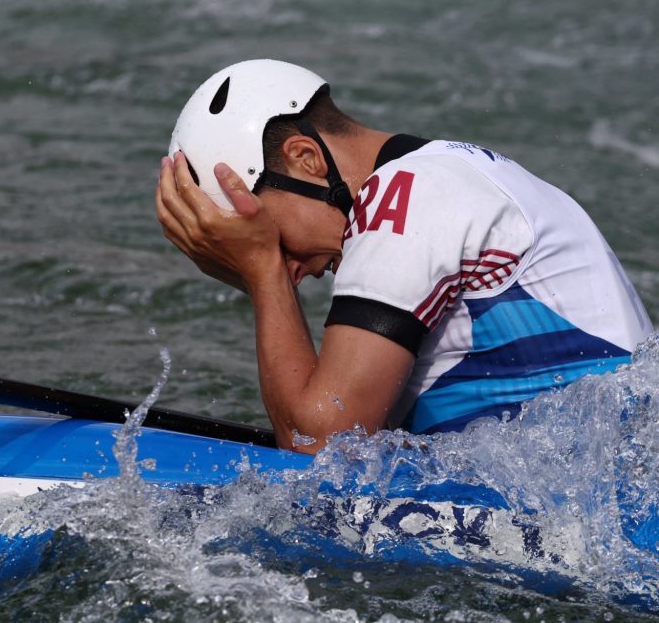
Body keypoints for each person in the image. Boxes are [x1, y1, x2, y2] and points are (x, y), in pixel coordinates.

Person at [156, 59, 652, 453]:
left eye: (269, 233)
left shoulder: (407, 193)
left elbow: (322, 445)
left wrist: (262, 273)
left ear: (305, 158)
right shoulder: (446, 172)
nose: (294, 271)